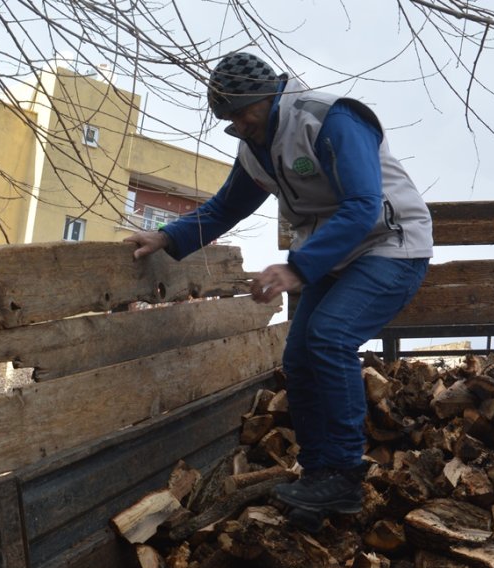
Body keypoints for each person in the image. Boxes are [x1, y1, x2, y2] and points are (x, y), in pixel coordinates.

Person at [126, 51, 432, 517]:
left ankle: (346, 476)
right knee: (298, 355)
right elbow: (226, 207)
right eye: (229, 120)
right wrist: (168, 235)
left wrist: (298, 267)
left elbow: (364, 205)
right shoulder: (255, 147)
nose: (239, 127)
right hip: (333, 257)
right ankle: (317, 474)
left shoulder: (332, 119)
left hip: (391, 244)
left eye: (244, 115)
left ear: (269, 96)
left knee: (329, 337)